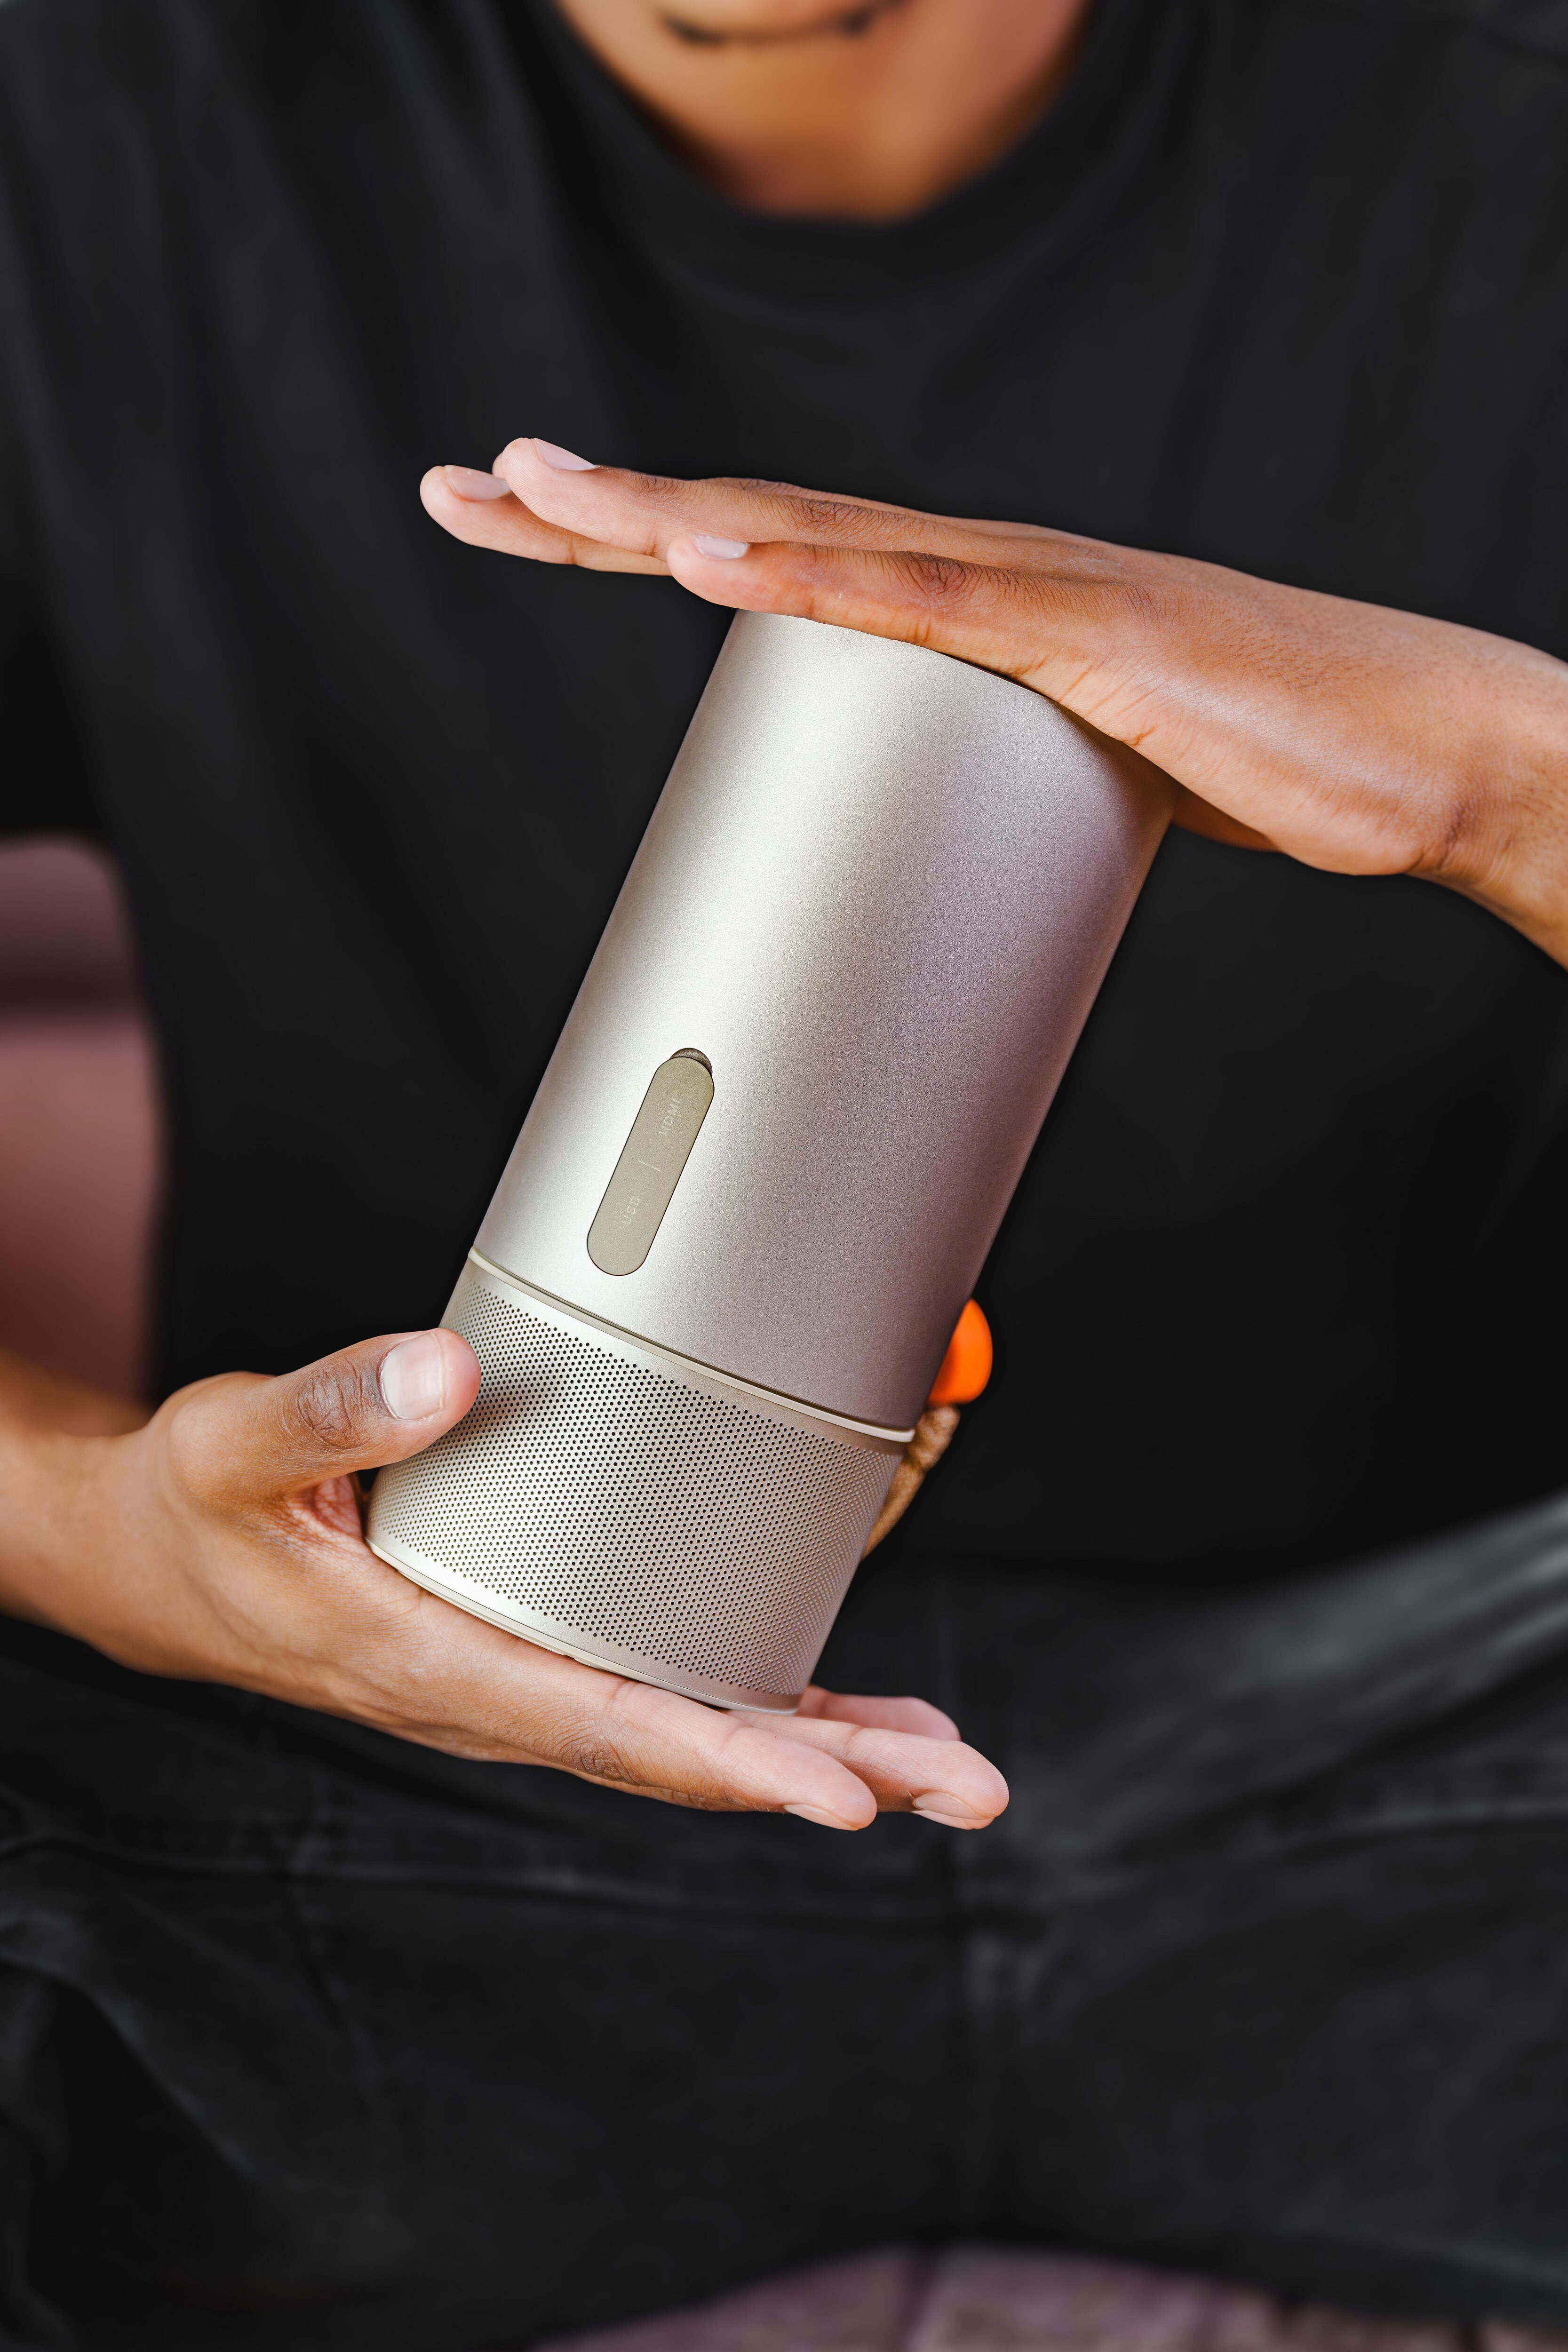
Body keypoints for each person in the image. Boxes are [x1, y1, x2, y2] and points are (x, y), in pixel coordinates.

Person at [1, 0, 1567, 2343]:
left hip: (1431, 1765)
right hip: (371, 1753)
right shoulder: (92, 130)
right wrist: (90, 1529)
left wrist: (1506, 779)